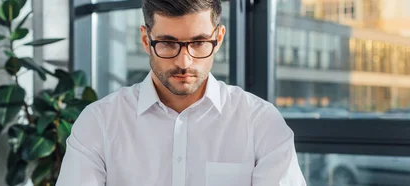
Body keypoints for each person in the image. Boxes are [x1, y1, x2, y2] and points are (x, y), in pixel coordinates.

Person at [57, 0, 307, 185]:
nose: (184, 62)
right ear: (146, 40)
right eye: (168, 43)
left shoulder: (261, 122)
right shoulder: (99, 122)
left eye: (198, 43)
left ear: (218, 39)